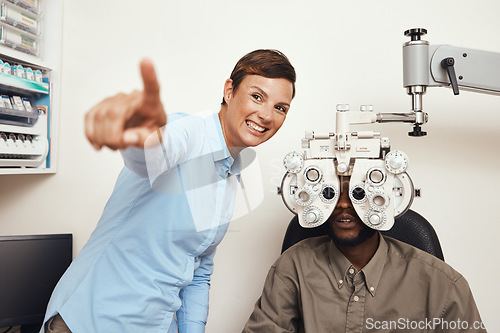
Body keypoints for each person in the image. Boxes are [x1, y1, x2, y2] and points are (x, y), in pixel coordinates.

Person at [41, 49, 296, 333]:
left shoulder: (230, 176)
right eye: (257, 96)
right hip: (92, 320)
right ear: (229, 90)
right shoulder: (187, 132)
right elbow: (152, 154)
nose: (266, 115)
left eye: (280, 107)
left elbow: (198, 270)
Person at [243, 176, 486, 333]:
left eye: (358, 194)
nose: (344, 204)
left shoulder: (444, 284)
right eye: (332, 193)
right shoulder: (293, 266)